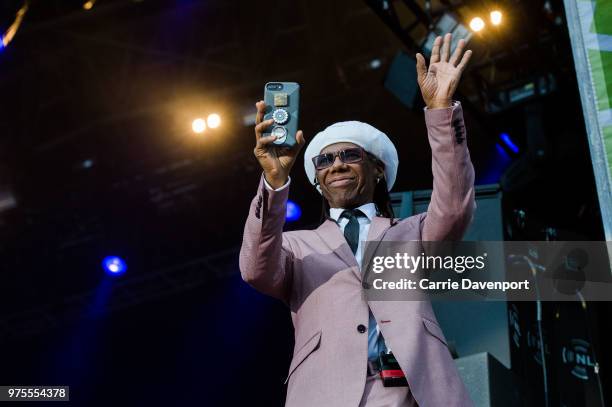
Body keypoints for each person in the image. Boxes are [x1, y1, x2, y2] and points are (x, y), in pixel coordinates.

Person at [240, 33, 475, 407]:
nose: (336, 165)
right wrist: (274, 181)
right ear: (317, 181)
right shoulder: (297, 247)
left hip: (413, 393)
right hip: (325, 394)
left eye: (350, 155)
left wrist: (441, 112)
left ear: (378, 170)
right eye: (324, 161)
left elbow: (455, 205)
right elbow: (255, 269)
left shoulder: (412, 233)